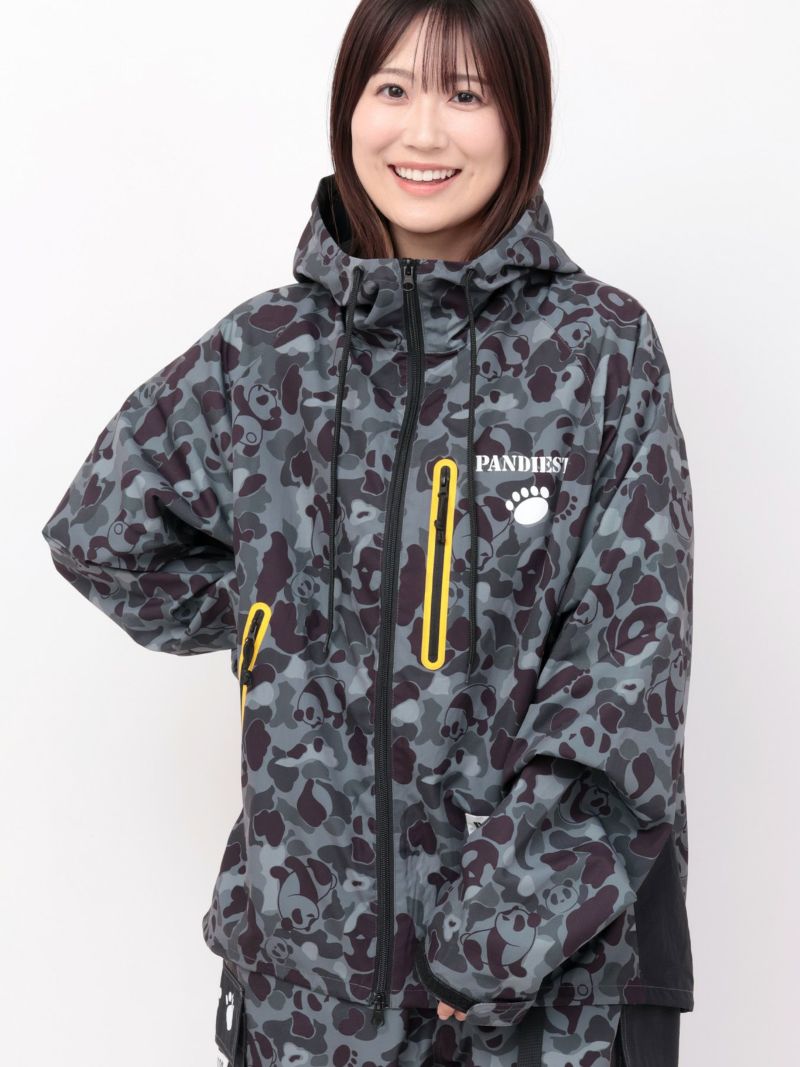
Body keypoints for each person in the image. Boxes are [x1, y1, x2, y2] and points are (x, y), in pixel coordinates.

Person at [40, 2, 694, 1065]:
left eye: (465, 94)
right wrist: (279, 605)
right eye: (392, 88)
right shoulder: (266, 353)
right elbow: (100, 534)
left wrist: (486, 946)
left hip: (540, 1007)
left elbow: (624, 690)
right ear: (349, 108)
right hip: (302, 1005)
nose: (422, 132)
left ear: (522, 118)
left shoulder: (597, 351)